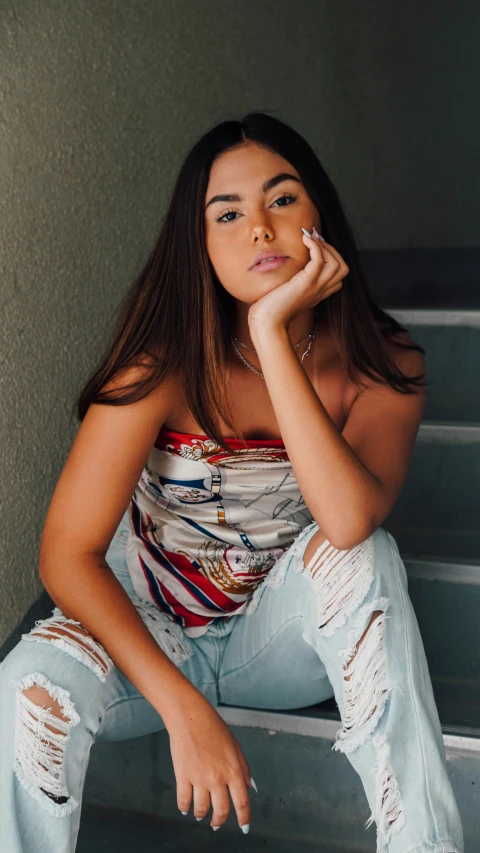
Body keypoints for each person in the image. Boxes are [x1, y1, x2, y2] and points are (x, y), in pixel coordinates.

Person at [0, 112, 463, 853]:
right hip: (149, 635)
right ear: (201, 242)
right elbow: (65, 552)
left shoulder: (385, 362)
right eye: (228, 212)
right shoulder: (162, 362)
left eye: (282, 200)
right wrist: (184, 710)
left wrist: (271, 334)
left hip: (271, 645)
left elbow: (347, 523)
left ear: (320, 218)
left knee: (366, 558)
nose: (259, 228)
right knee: (29, 678)